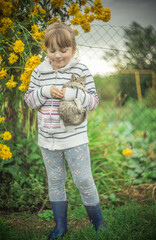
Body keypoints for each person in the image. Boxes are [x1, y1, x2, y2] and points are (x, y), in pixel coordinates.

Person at [24, 22, 106, 240]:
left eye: (63, 50)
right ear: (46, 49)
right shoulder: (39, 72)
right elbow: (30, 100)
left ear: (73, 49)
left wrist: (70, 94)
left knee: (84, 180)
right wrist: (44, 91)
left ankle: (99, 224)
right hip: (47, 140)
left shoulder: (81, 70)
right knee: (56, 180)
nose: (58, 56)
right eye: (52, 51)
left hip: (74, 138)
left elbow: (93, 102)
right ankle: (60, 226)